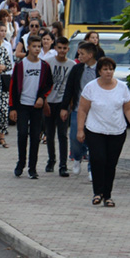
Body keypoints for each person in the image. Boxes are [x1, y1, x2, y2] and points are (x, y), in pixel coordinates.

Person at [75, 56, 130, 207]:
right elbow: (83, 110)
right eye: (105, 69)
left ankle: (108, 196)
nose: (108, 72)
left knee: (111, 164)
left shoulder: (122, 87)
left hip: (117, 131)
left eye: (111, 69)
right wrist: (80, 129)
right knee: (98, 160)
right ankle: (97, 192)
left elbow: (128, 108)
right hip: (95, 130)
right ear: (99, 71)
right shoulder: (91, 87)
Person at [8, 35, 53, 179]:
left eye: (39, 46)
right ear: (28, 47)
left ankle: (32, 168)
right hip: (22, 105)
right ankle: (21, 163)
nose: (36, 49)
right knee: (22, 134)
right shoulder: (21, 65)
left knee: (35, 136)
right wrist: (12, 108)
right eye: (34, 46)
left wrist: (42, 98)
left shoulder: (45, 66)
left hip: (36, 106)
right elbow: (13, 87)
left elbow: (48, 84)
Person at [44, 36, 75, 177]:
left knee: (62, 134)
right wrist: (44, 100)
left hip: (63, 103)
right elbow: (43, 84)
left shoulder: (72, 65)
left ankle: (63, 165)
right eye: (59, 48)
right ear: (55, 48)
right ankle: (51, 160)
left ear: (68, 49)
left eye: (64, 48)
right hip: (49, 101)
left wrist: (69, 104)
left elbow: (73, 86)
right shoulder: (48, 63)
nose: (62, 51)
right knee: (49, 134)